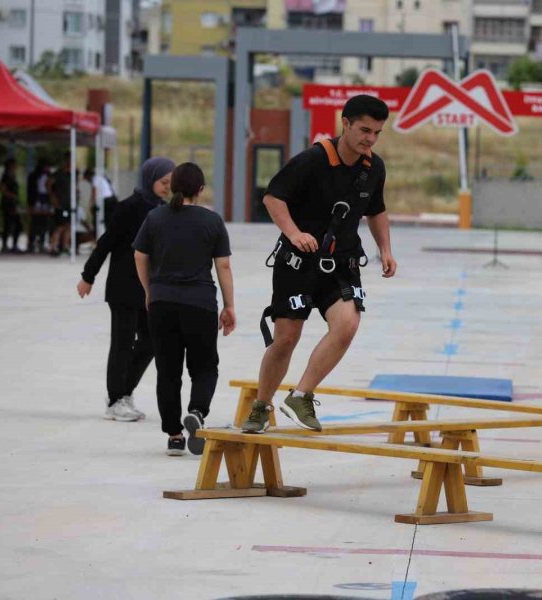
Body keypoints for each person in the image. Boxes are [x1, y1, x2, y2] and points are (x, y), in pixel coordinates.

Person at [242, 94, 397, 433]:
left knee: (347, 325)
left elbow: (376, 210)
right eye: (364, 130)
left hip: (341, 263)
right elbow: (272, 197)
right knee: (286, 338)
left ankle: (301, 395)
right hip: (298, 262)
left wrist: (385, 248)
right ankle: (260, 405)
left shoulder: (374, 168)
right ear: (346, 124)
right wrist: (294, 233)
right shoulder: (312, 160)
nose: (370, 139)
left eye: (377, 133)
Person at [132, 162, 235, 456]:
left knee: (168, 371)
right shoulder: (211, 221)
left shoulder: (155, 217)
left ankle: (174, 436)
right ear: (200, 190)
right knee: (204, 367)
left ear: (172, 186)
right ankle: (197, 411)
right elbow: (223, 265)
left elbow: (140, 255)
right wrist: (229, 306)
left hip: (162, 303)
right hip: (199, 304)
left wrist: (149, 290)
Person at [77, 157, 175, 421]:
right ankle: (115, 400)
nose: (168, 187)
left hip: (148, 289)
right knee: (122, 344)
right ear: (149, 178)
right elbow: (105, 243)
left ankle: (123, 393)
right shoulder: (129, 208)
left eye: (170, 183)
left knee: (151, 341)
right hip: (123, 288)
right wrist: (88, 276)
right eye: (163, 182)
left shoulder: (163, 210)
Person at [49, 153, 74, 256]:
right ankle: (53, 247)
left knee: (68, 225)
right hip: (60, 203)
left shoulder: (72, 174)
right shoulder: (58, 174)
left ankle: (65, 246)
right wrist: (53, 198)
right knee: (59, 226)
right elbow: (49, 184)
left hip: (69, 204)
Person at [26, 159, 51, 253]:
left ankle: (41, 242)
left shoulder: (48, 176)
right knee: (34, 223)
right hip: (36, 200)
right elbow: (30, 191)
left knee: (44, 223)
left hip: (44, 200)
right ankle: (31, 243)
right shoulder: (33, 177)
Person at [83, 167, 117, 237]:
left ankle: (97, 235)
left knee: (97, 217)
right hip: (112, 199)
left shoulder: (95, 179)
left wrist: (91, 204)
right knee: (109, 220)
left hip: (106, 201)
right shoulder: (101, 178)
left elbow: (94, 192)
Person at [0, 158, 22, 253]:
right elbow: (1, 188)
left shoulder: (13, 176)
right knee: (8, 224)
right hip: (8, 204)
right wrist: (10, 195)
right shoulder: (6, 176)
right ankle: (5, 245)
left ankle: (14, 244)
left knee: (17, 225)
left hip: (13, 203)